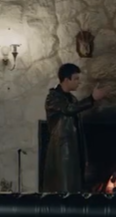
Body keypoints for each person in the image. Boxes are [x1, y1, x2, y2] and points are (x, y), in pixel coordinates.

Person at [42, 63, 107, 193]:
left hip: (74, 148)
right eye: (76, 79)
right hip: (62, 149)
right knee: (64, 187)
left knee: (74, 187)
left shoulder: (72, 98)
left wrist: (84, 153)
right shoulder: (53, 98)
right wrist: (91, 99)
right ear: (66, 80)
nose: (79, 82)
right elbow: (68, 109)